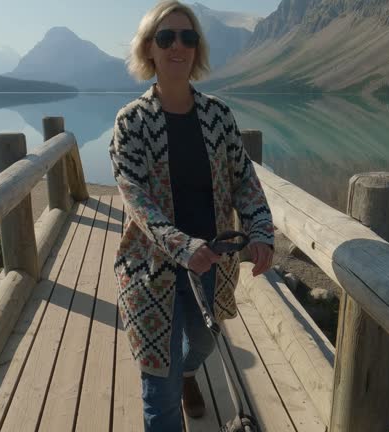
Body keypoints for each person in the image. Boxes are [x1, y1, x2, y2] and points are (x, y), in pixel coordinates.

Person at [108, 1, 275, 431]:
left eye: (188, 37)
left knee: (202, 341)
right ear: (149, 49)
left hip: (212, 265)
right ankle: (172, 379)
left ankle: (186, 374)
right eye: (166, 37)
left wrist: (260, 230)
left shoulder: (218, 115)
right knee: (157, 394)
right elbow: (136, 198)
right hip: (151, 270)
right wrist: (182, 246)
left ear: (196, 49)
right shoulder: (131, 123)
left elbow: (245, 180)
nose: (177, 46)